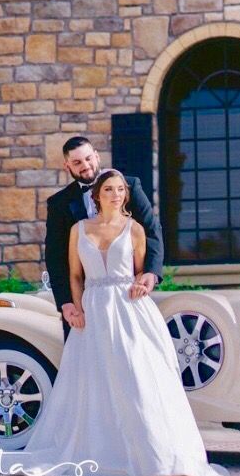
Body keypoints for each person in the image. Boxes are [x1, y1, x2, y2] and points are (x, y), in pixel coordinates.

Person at [6, 169, 227, 476]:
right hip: (93, 312)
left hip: (129, 311)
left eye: (121, 189)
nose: (116, 194)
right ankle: (103, 451)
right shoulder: (78, 229)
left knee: (137, 379)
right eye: (109, 189)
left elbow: (141, 270)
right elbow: (74, 276)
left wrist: (143, 283)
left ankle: (156, 456)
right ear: (98, 195)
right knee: (94, 382)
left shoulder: (134, 229)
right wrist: (77, 308)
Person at [45, 136, 163, 340]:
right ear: (67, 166)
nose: (85, 166)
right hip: (83, 302)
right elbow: (55, 258)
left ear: (97, 156)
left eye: (88, 158)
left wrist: (151, 273)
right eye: (77, 162)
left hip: (128, 297)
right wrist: (67, 303)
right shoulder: (59, 204)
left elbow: (152, 231)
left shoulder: (129, 186)